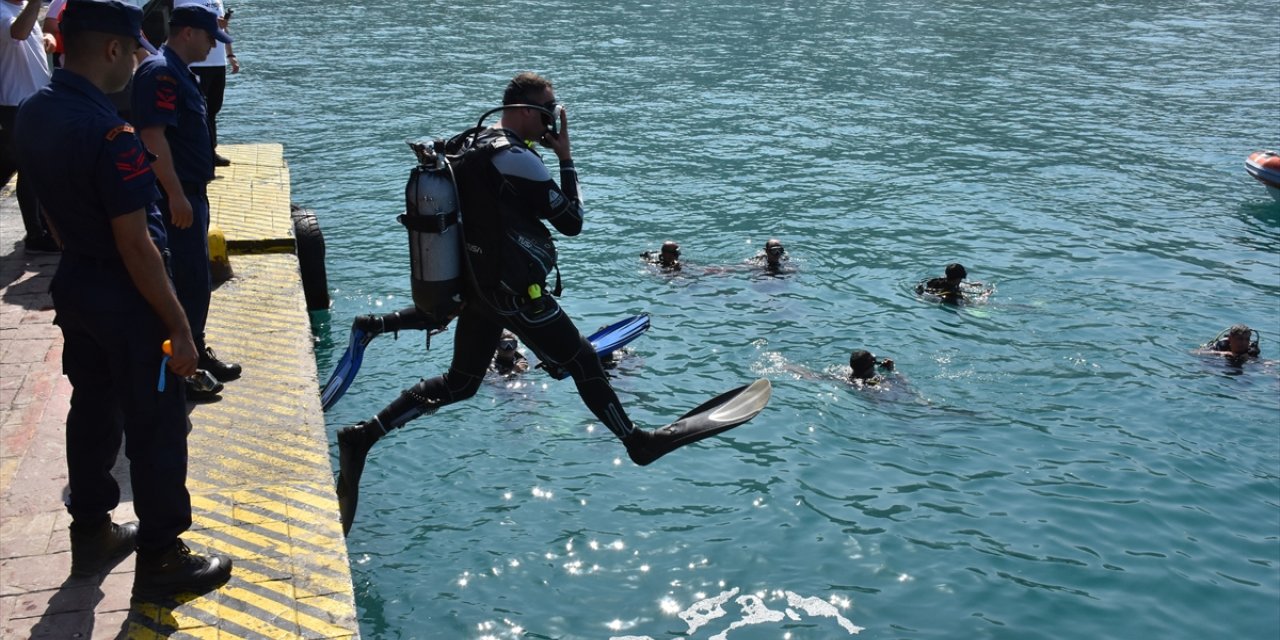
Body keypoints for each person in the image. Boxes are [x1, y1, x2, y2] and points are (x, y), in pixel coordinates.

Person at [336, 72, 746, 534]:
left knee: (462, 383)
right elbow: (571, 220)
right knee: (584, 361)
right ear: (528, 112)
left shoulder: (465, 141)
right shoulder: (515, 157)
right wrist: (565, 158)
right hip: (516, 296)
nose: (553, 123)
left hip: (476, 290)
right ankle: (636, 442)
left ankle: (363, 434)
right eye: (549, 113)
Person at [14, 0, 231, 598]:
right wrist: (180, 327)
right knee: (157, 426)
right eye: (134, 49)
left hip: (76, 282)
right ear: (111, 49)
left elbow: (52, 213)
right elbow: (138, 246)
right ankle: (162, 556)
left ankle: (92, 530)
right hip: (129, 295)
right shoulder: (111, 133)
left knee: (91, 408)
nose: (140, 60)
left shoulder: (35, 112)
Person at [132, 2, 239, 400]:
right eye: (210, 37)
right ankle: (183, 370)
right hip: (175, 195)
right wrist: (175, 195)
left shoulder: (178, 71)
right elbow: (153, 136)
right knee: (185, 281)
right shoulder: (161, 72)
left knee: (195, 280)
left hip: (191, 190)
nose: (214, 44)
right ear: (188, 33)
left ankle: (195, 351)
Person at [2, 0, 56, 253]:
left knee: (20, 162)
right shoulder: (3, 10)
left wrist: (45, 36)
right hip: (15, 102)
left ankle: (42, 229)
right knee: (31, 167)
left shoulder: (23, 8)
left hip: (33, 98)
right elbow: (18, 33)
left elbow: (26, 37)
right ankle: (36, 234)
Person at [177, 0, 236, 166]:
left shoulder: (217, 1)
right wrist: (214, 23)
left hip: (218, 62)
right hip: (197, 63)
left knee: (213, 109)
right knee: (195, 110)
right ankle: (196, 152)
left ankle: (210, 150)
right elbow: (181, 22)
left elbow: (223, 27)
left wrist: (230, 55)